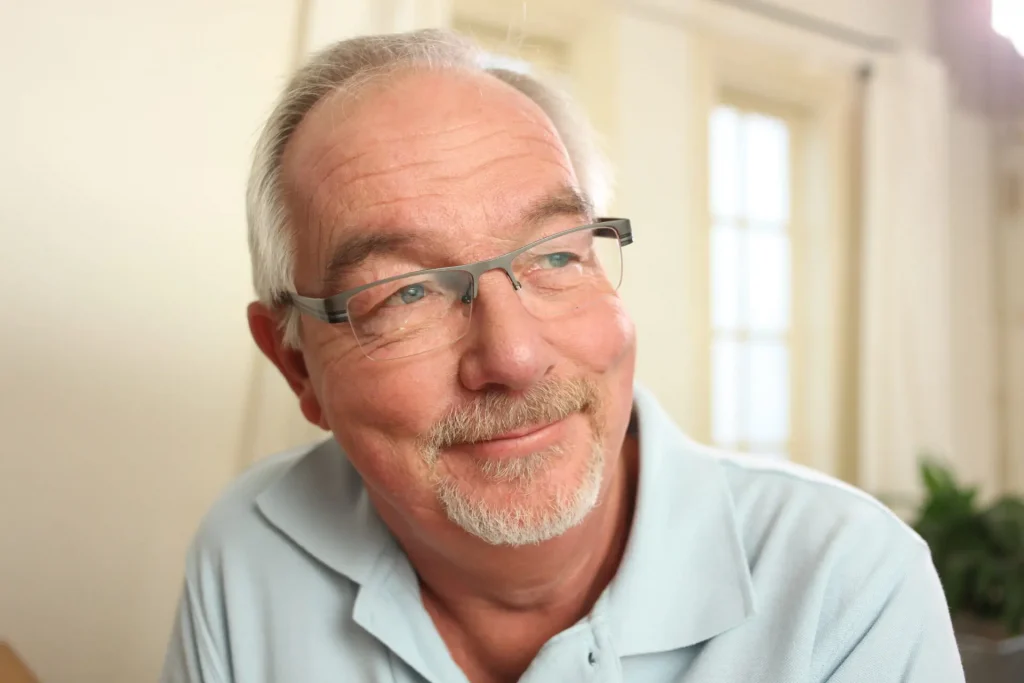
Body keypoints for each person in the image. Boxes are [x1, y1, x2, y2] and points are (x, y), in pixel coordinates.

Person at [161, 29, 964, 683]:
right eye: (405, 291)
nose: (512, 354)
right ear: (297, 366)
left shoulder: (845, 583)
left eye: (554, 255)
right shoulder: (248, 551)